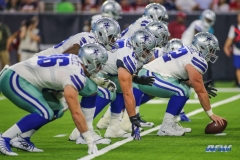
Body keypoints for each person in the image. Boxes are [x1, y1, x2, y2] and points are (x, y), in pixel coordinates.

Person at [0, 42, 110, 156]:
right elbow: (76, 113)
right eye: (98, 64)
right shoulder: (76, 74)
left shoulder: (75, 60)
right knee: (45, 113)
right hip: (14, 78)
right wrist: (89, 139)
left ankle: (23, 138)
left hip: (26, 79)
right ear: (88, 61)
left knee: (57, 109)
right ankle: (4, 138)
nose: (99, 68)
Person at [35, 17, 121, 145]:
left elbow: (79, 66)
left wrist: (97, 79)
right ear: (101, 34)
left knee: (53, 110)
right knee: (88, 91)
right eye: (111, 37)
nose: (113, 41)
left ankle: (20, 136)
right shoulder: (88, 41)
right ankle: (85, 133)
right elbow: (66, 59)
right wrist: (62, 88)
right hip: (44, 69)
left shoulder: (91, 40)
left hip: (47, 69)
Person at [95, 3, 169, 132]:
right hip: (116, 60)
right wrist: (132, 117)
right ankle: (125, 121)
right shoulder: (146, 26)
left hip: (123, 57)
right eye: (161, 18)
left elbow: (153, 61)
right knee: (123, 88)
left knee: (131, 85)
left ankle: (111, 124)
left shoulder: (144, 32)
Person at [137, 32, 226, 136]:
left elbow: (186, 81)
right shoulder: (197, 59)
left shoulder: (190, 51)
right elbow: (200, 92)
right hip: (149, 76)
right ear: (202, 47)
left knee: (186, 89)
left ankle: (172, 123)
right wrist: (211, 115)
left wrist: (200, 85)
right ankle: (166, 127)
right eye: (211, 50)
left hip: (152, 74)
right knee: (181, 91)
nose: (212, 53)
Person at [224, 13, 240, 88]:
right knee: (238, 67)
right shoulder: (234, 27)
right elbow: (230, 38)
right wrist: (226, 47)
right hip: (237, 50)